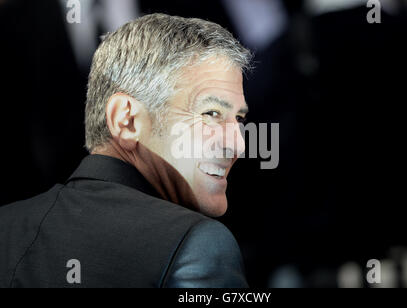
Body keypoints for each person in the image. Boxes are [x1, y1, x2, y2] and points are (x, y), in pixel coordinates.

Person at [0, 13, 252, 288]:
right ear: (127, 120)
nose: (238, 144)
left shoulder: (6, 226)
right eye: (211, 113)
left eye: (238, 119)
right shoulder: (198, 243)